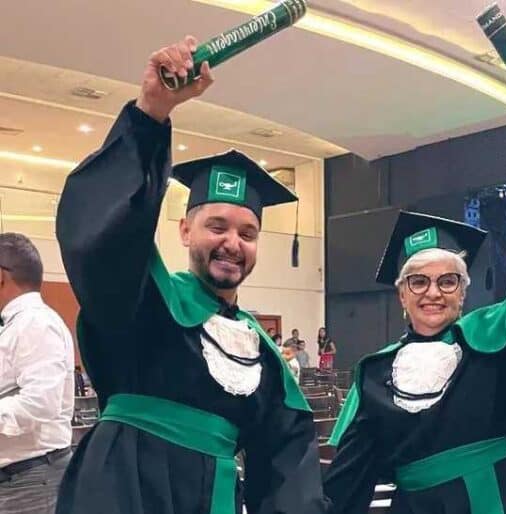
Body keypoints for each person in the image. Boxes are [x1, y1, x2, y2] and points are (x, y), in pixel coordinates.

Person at [55, 36, 328, 514]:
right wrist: (151, 113)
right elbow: (106, 241)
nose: (233, 243)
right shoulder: (144, 299)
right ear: (185, 231)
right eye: (216, 227)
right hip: (119, 492)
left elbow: (288, 465)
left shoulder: (264, 358)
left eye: (247, 233)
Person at [324, 131, 506, 514]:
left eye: (447, 281)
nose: (433, 292)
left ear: (463, 291)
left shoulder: (495, 336)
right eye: (418, 281)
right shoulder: (375, 374)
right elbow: (346, 482)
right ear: (402, 295)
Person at [0, 233, 75, 514]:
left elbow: (40, 403)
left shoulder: (36, 323)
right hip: (22, 477)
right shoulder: (18, 325)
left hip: (31, 477)